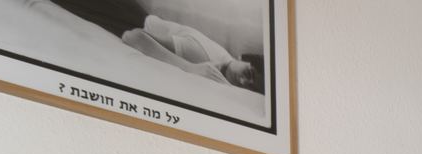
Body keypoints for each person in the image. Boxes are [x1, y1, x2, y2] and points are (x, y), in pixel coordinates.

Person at [45, 0, 263, 91]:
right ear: (246, 60)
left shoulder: (224, 61)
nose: (242, 80)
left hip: (132, 13)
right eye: (249, 73)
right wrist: (190, 68)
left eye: (247, 85)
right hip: (126, 19)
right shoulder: (206, 56)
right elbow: (134, 37)